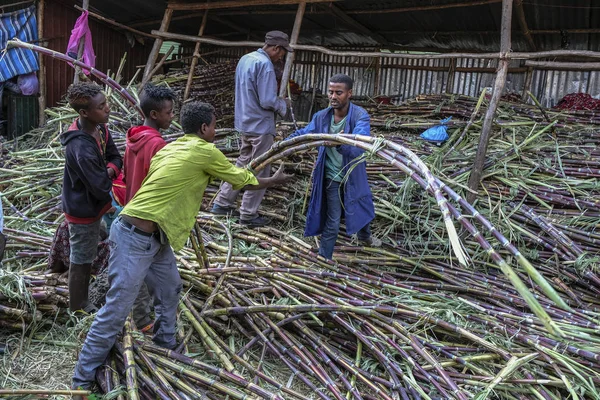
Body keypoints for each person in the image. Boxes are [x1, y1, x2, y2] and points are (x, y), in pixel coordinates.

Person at [72, 101, 291, 393]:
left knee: (170, 289)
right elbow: (242, 180)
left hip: (156, 236)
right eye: (213, 125)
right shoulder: (204, 151)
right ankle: (81, 381)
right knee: (115, 311)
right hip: (134, 236)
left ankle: (166, 344)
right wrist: (273, 181)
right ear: (204, 128)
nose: (214, 131)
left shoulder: (171, 147)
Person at [286, 74, 382, 260]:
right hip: (331, 176)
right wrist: (285, 142)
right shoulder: (322, 117)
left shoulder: (360, 116)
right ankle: (324, 258)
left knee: (361, 203)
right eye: (330, 92)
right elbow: (305, 133)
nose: (333, 96)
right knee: (333, 219)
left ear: (349, 93)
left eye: (338, 92)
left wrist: (339, 143)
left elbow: (359, 147)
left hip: (352, 173)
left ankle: (365, 236)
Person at [211, 30, 292, 227]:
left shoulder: (246, 59)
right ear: (275, 48)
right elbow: (266, 100)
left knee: (243, 164)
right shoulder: (265, 65)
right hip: (260, 125)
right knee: (261, 168)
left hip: (244, 122)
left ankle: (222, 203)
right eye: (282, 52)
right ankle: (248, 213)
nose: (282, 56)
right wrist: (283, 104)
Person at [60, 82, 122, 312]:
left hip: (97, 204)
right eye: (101, 106)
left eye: (106, 103)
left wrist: (108, 170)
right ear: (84, 113)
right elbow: (99, 186)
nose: (107, 108)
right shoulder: (80, 147)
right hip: (83, 209)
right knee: (82, 260)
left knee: (89, 250)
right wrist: (108, 173)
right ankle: (78, 307)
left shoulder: (101, 130)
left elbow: (116, 158)